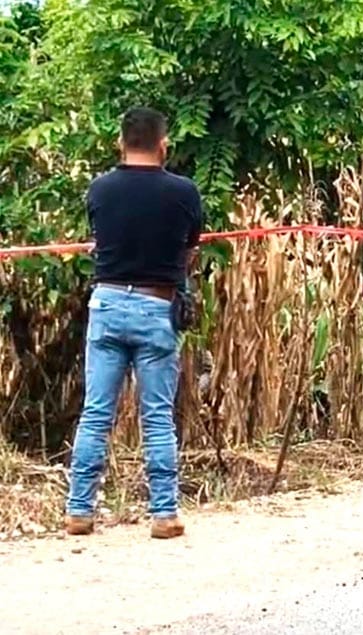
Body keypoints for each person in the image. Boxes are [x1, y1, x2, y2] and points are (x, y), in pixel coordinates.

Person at [65, 107, 203, 539]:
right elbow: (190, 247)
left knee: (96, 413)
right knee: (157, 416)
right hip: (156, 306)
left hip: (106, 304)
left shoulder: (100, 189)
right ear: (164, 145)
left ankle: (79, 511)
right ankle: (163, 514)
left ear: (120, 142)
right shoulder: (184, 192)